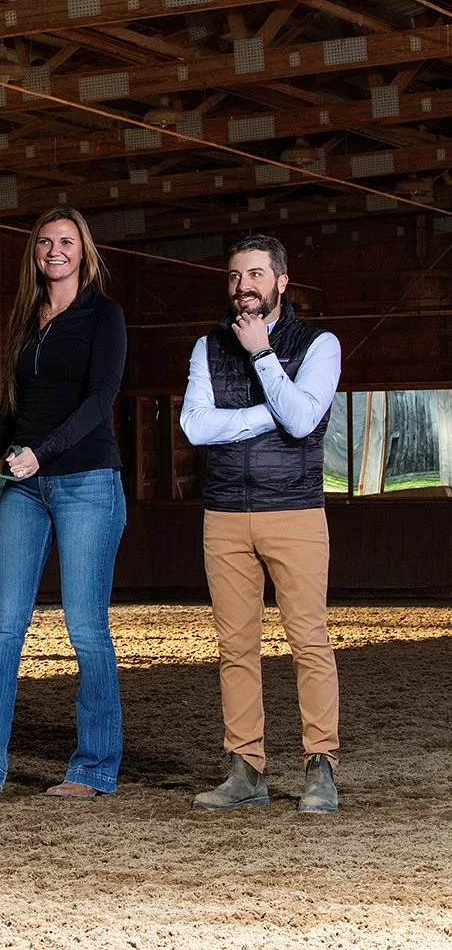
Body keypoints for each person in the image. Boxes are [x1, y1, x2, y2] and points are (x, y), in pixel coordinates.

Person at [0, 207, 127, 800]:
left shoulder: (104, 316)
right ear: (36, 253)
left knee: (85, 628)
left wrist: (42, 455)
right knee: (4, 625)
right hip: (24, 484)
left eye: (67, 241)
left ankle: (94, 768)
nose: (55, 250)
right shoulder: (26, 319)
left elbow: (100, 400)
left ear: (84, 250)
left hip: (86, 482)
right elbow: (8, 409)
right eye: (46, 242)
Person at [180, 234, 341, 814]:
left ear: (280, 282)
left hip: (295, 511)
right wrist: (264, 414)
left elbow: (301, 422)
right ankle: (245, 770)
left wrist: (262, 356)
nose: (242, 287)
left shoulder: (321, 344)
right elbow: (196, 428)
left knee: (309, 642)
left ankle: (320, 767)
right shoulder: (206, 347)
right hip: (224, 514)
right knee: (235, 649)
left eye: (254, 275)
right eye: (233, 277)